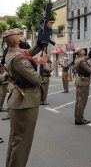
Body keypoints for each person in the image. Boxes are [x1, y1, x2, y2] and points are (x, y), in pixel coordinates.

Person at [3, 28, 48, 167]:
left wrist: (39, 45)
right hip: (25, 103)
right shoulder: (18, 58)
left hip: (21, 101)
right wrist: (40, 64)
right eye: (21, 36)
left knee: (16, 141)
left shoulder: (13, 53)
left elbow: (28, 53)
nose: (23, 37)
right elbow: (36, 79)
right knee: (22, 143)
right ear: (17, 41)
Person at [74, 47, 91, 125]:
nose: (84, 50)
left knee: (78, 101)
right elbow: (90, 70)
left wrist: (90, 55)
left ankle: (77, 117)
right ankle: (79, 119)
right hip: (84, 82)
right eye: (82, 50)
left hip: (80, 81)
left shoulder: (78, 59)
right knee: (82, 101)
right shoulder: (81, 61)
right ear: (80, 53)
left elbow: (85, 58)